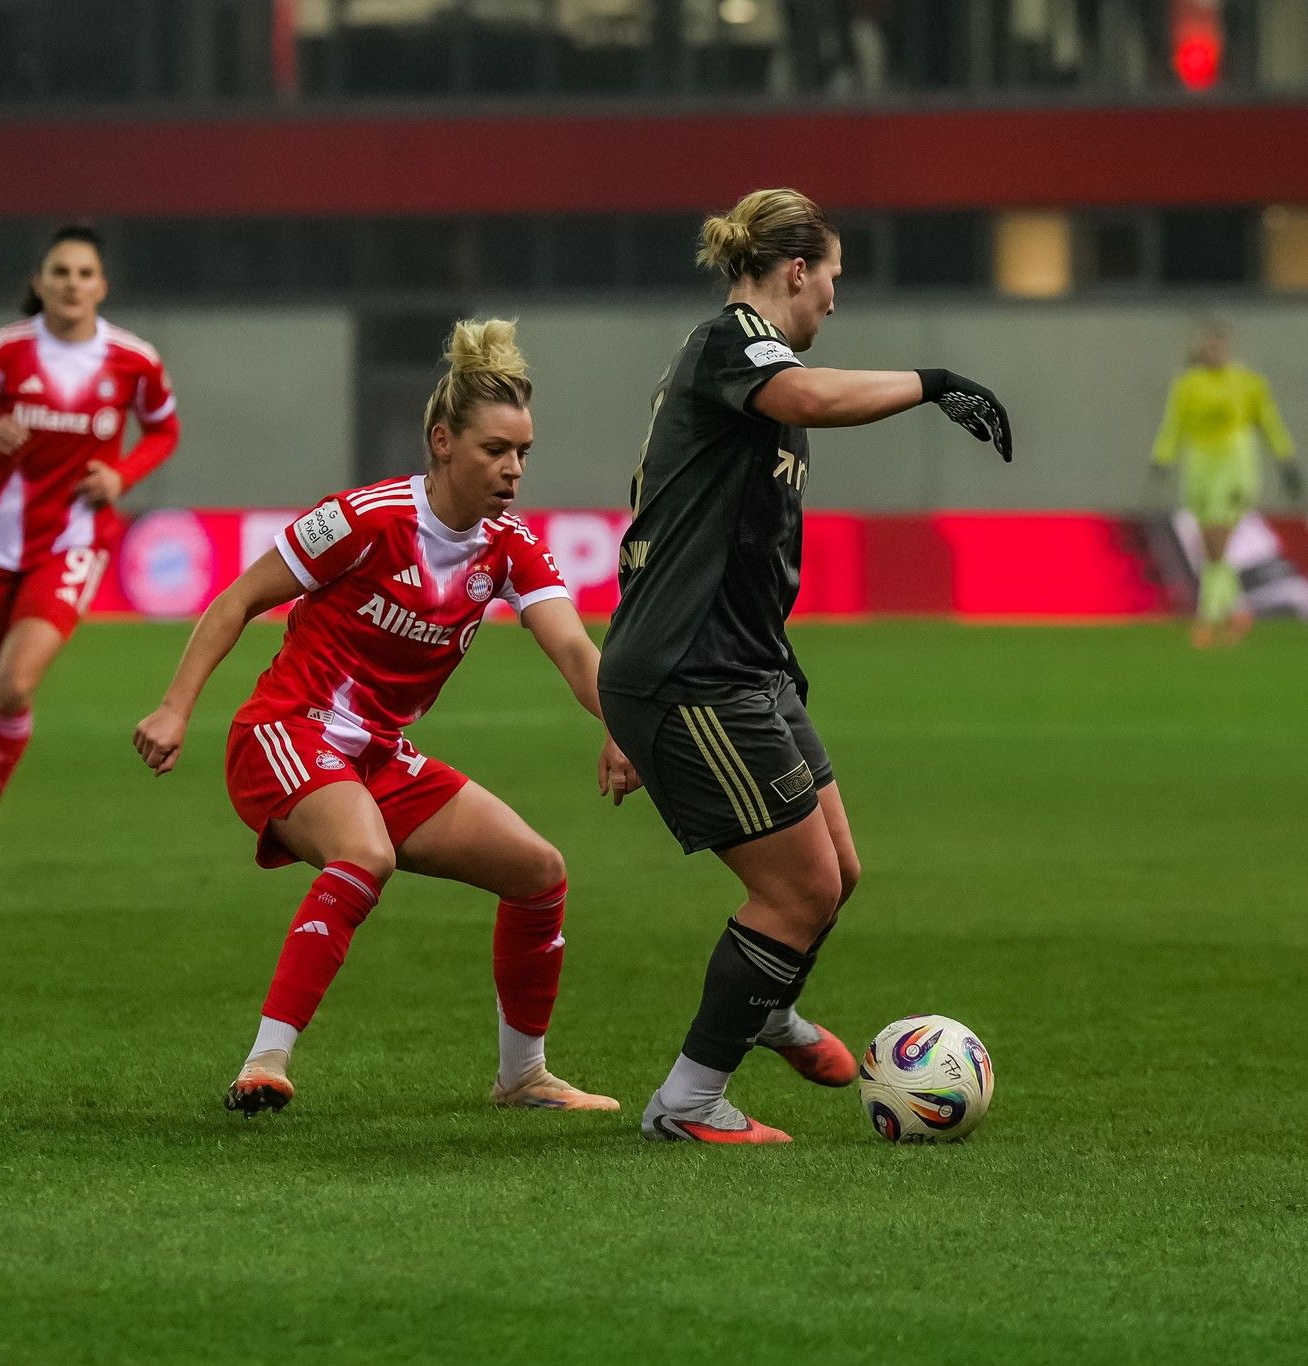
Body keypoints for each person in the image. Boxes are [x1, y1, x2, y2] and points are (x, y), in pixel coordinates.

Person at [132, 320, 637, 1116]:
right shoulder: (361, 519)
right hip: (284, 731)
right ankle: (265, 1062)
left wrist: (623, 727)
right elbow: (238, 599)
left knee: (538, 873)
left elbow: (577, 652)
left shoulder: (510, 548)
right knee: (364, 854)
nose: (513, 469)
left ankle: (523, 1077)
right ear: (443, 441)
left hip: (374, 754)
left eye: (523, 452)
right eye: (495, 449)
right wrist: (174, 707)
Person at [599, 188, 1012, 1144]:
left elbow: (674, 529)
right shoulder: (731, 346)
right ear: (795, 271)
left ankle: (766, 1005)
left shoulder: (749, 375)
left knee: (840, 871)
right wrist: (934, 381)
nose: (835, 298)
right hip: (693, 671)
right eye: (831, 278)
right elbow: (810, 398)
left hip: (747, 666)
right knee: (799, 890)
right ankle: (688, 1102)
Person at [0, 224, 180, 889]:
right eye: (60, 273)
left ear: (102, 285)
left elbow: (163, 428)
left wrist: (121, 476)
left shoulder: (133, 359)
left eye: (85, 273)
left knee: (13, 687)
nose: (72, 285)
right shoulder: (6, 353)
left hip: (71, 542)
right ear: (40, 284)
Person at [1148, 320, 1303, 647]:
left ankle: (1207, 618)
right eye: (1209, 346)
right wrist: (1162, 458)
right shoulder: (1188, 384)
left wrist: (1286, 460)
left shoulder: (1248, 383)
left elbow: (1269, 423)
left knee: (1216, 544)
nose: (1214, 352)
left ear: (1228, 349)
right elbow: (1174, 424)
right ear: (1201, 350)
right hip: (1199, 468)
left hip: (1235, 466)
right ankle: (1238, 611)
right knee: (1209, 547)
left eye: (1219, 346)